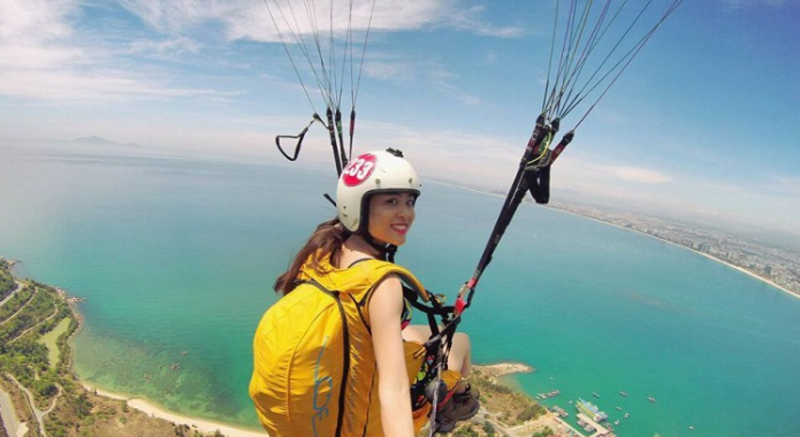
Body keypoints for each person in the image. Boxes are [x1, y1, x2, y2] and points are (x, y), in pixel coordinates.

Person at [250, 149, 479, 437]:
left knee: (416, 336)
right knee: (459, 341)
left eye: (409, 202)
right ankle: (450, 403)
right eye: (391, 201)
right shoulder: (383, 285)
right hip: (363, 408)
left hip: (345, 355)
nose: (405, 213)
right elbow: (393, 390)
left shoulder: (323, 250)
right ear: (360, 207)